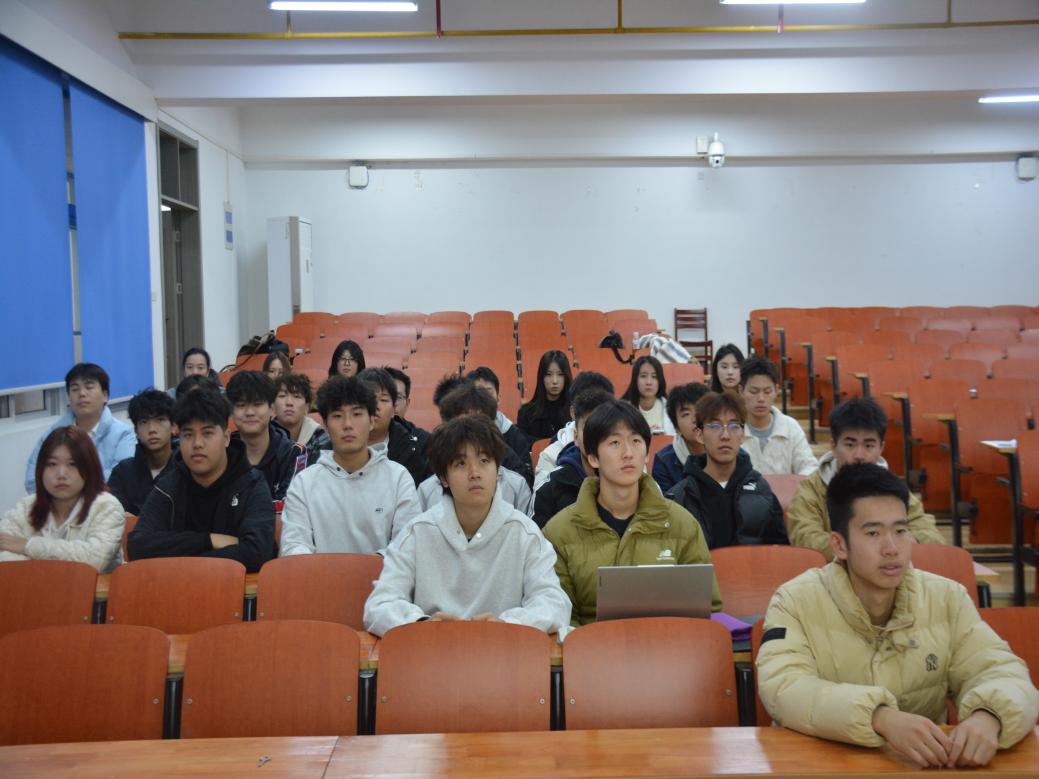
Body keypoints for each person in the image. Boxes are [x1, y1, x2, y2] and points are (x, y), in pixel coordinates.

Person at [756, 463, 1039, 768]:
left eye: (901, 531)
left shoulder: (946, 598)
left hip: (920, 766)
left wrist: (990, 715)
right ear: (839, 544)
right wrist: (879, 717)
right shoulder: (795, 601)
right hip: (823, 766)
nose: (892, 548)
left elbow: (1001, 671)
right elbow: (784, 687)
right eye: (873, 533)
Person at [364, 415, 571, 637]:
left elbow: (554, 604)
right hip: (435, 648)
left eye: (484, 461)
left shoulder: (525, 533)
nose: (475, 473)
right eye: (461, 464)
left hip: (503, 650)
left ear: (498, 470)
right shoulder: (417, 533)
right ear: (443, 478)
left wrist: (507, 624)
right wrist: (422, 624)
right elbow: (380, 605)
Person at [543, 400, 721, 626]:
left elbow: (707, 607)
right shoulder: (559, 532)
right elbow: (562, 618)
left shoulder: (681, 524)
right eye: (615, 443)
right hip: (592, 644)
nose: (628, 453)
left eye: (636, 441)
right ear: (593, 457)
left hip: (667, 642)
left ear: (647, 453)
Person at [127, 388, 275, 572]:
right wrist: (209, 540)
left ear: (226, 438)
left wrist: (179, 557)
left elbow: (256, 552)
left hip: (231, 587)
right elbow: (138, 546)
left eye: (207, 433)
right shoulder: (169, 485)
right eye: (188, 435)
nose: (197, 444)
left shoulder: (251, 484)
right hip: (179, 587)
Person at [787, 397, 944, 560]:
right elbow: (806, 539)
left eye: (869, 446)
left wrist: (898, 544)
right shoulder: (811, 489)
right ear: (833, 446)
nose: (859, 455)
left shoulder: (894, 488)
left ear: (881, 448)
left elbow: (930, 536)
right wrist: (867, 550)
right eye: (850, 445)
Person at [279, 376, 420, 556]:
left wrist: (363, 566)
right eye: (337, 416)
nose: (347, 425)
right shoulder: (304, 483)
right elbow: (293, 546)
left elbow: (408, 544)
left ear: (371, 420)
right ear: (326, 425)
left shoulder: (398, 478)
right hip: (319, 574)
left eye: (357, 414)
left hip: (384, 573)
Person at [665, 391, 787, 549]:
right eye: (715, 426)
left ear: (743, 435)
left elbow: (780, 551)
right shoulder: (679, 497)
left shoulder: (761, 490)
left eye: (734, 426)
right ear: (700, 435)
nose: (725, 435)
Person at [1, 426, 125, 572]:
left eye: (72, 464)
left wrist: (28, 546)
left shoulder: (106, 507)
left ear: (89, 468)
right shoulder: (25, 507)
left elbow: (95, 559)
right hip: (33, 586)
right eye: (52, 464)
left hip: (94, 587)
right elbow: (4, 556)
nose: (61, 474)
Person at [416, 380, 532, 512]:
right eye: (461, 463)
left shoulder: (516, 485)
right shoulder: (427, 490)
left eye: (479, 420)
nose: (473, 429)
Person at [24, 363, 136, 493]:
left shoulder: (123, 434)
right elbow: (32, 481)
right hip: (57, 504)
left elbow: (121, 480)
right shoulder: (53, 434)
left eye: (89, 387)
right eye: (75, 389)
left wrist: (70, 490)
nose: (82, 393)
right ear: (68, 397)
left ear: (105, 395)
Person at [530, 388, 613, 528]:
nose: (595, 436)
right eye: (588, 427)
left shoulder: (630, 479)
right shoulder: (551, 487)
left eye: (603, 428)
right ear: (575, 436)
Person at [226, 371, 306, 505]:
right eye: (241, 405)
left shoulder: (293, 453)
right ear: (231, 412)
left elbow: (290, 507)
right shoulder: (222, 452)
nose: (249, 412)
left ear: (272, 409)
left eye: (257, 404)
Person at [533, 370, 614, 492]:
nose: (595, 429)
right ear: (573, 411)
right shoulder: (550, 456)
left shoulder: (627, 454)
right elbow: (542, 498)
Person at [738, 356, 818, 476]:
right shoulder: (731, 429)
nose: (761, 399)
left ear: (776, 390)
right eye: (754, 391)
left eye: (767, 391)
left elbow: (810, 467)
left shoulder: (790, 427)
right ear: (741, 391)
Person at [355, 367, 432, 487]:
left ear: (393, 409)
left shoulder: (411, 451)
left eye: (384, 400)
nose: (376, 406)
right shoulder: (334, 445)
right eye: (369, 398)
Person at [108, 389, 178, 515]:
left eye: (160, 420)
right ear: (136, 430)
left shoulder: (185, 470)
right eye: (144, 422)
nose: (152, 429)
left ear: (173, 427)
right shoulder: (122, 473)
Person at [466, 367, 533, 463]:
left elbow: (524, 471)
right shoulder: (456, 432)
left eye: (488, 392)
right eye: (478, 393)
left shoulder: (513, 434)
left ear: (498, 399)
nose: (483, 398)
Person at [652, 382, 709, 494]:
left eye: (700, 410)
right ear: (676, 427)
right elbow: (667, 503)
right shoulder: (664, 461)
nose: (695, 419)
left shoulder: (729, 451)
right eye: (686, 414)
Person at [273, 374, 329, 466]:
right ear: (272, 405)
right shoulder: (262, 436)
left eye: (296, 396)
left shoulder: (320, 439)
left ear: (307, 407)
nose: (289, 403)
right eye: (282, 396)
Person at [517, 350, 573, 441]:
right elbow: (523, 443)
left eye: (560, 374)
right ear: (541, 377)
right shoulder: (526, 413)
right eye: (548, 374)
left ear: (566, 377)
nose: (554, 381)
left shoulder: (576, 411)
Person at [620, 355, 673, 435]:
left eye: (654, 377)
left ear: (660, 380)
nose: (649, 382)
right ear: (635, 380)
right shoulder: (623, 410)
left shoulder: (671, 408)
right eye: (643, 376)